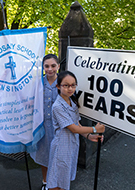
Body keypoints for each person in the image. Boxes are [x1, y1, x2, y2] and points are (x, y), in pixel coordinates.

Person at [46, 71, 105, 190]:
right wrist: (94, 129)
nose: (70, 88)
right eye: (66, 85)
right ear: (58, 86)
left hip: (71, 146)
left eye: (73, 85)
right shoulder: (58, 106)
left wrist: (89, 136)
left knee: (64, 179)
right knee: (56, 181)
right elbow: (73, 128)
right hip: (61, 147)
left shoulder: (72, 101)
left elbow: (77, 124)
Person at [30, 54, 59, 190]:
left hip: (59, 127)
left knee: (58, 156)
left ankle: (57, 182)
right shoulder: (39, 83)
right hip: (43, 126)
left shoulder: (63, 83)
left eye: (53, 66)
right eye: (46, 66)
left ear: (58, 66)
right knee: (44, 155)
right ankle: (46, 181)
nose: (50, 69)